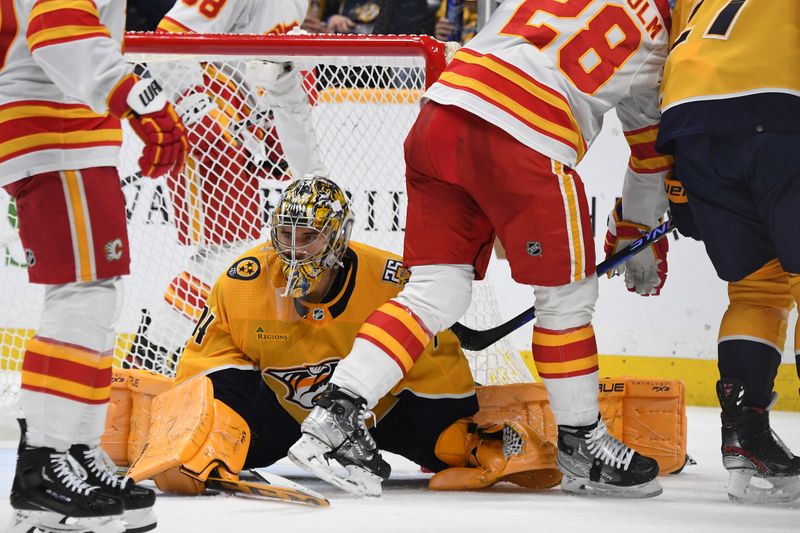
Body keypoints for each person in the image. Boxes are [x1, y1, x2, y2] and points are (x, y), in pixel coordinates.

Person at [290, 0, 673, 498]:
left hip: (441, 113)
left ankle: (334, 417)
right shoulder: (662, 31)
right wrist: (636, 230)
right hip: (529, 135)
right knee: (565, 301)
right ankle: (582, 444)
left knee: (434, 291)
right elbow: (650, 152)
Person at [125, 176, 519, 498]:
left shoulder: (389, 281)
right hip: (284, 412)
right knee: (212, 447)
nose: (294, 251)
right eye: (285, 234)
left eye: (308, 236)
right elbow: (211, 364)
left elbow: (437, 364)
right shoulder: (244, 282)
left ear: (336, 236)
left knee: (450, 446)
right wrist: (200, 429)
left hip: (379, 414)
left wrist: (459, 423)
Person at [0, 0, 187, 531]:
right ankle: (44, 470)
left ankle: (73, 455)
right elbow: (56, 28)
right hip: (56, 135)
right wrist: (141, 101)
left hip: (67, 136)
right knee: (82, 296)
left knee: (95, 296)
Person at [126, 0, 329, 373]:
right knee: (225, 253)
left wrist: (267, 130)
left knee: (231, 253)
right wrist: (194, 109)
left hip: (240, 128)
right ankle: (153, 352)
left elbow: (259, 64)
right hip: (209, 123)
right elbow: (170, 35)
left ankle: (154, 351)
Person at [657, 0, 800, 504]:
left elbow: (668, 61)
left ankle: (746, 437)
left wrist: (675, 180)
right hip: (780, 111)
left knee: (756, 288)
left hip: (691, 128)